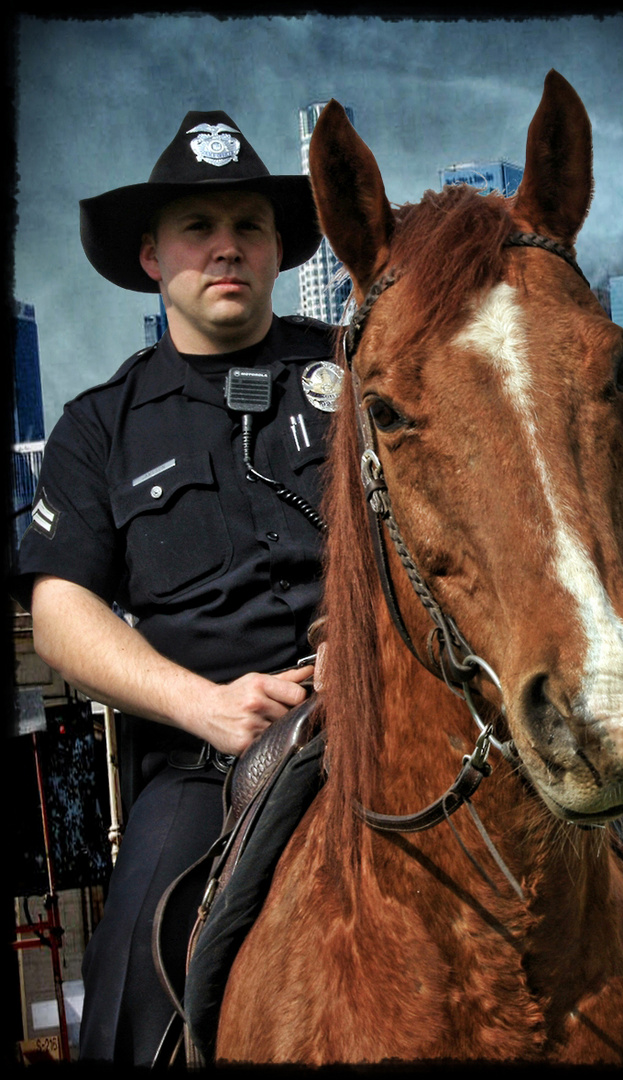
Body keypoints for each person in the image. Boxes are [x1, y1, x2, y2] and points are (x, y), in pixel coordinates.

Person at [11, 110, 339, 1066]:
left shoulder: (359, 369)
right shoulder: (96, 429)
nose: (224, 248)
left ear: (279, 249)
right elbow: (61, 612)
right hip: (208, 767)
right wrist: (208, 708)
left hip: (398, 714)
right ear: (152, 258)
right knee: (127, 991)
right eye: (198, 228)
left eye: (248, 225)